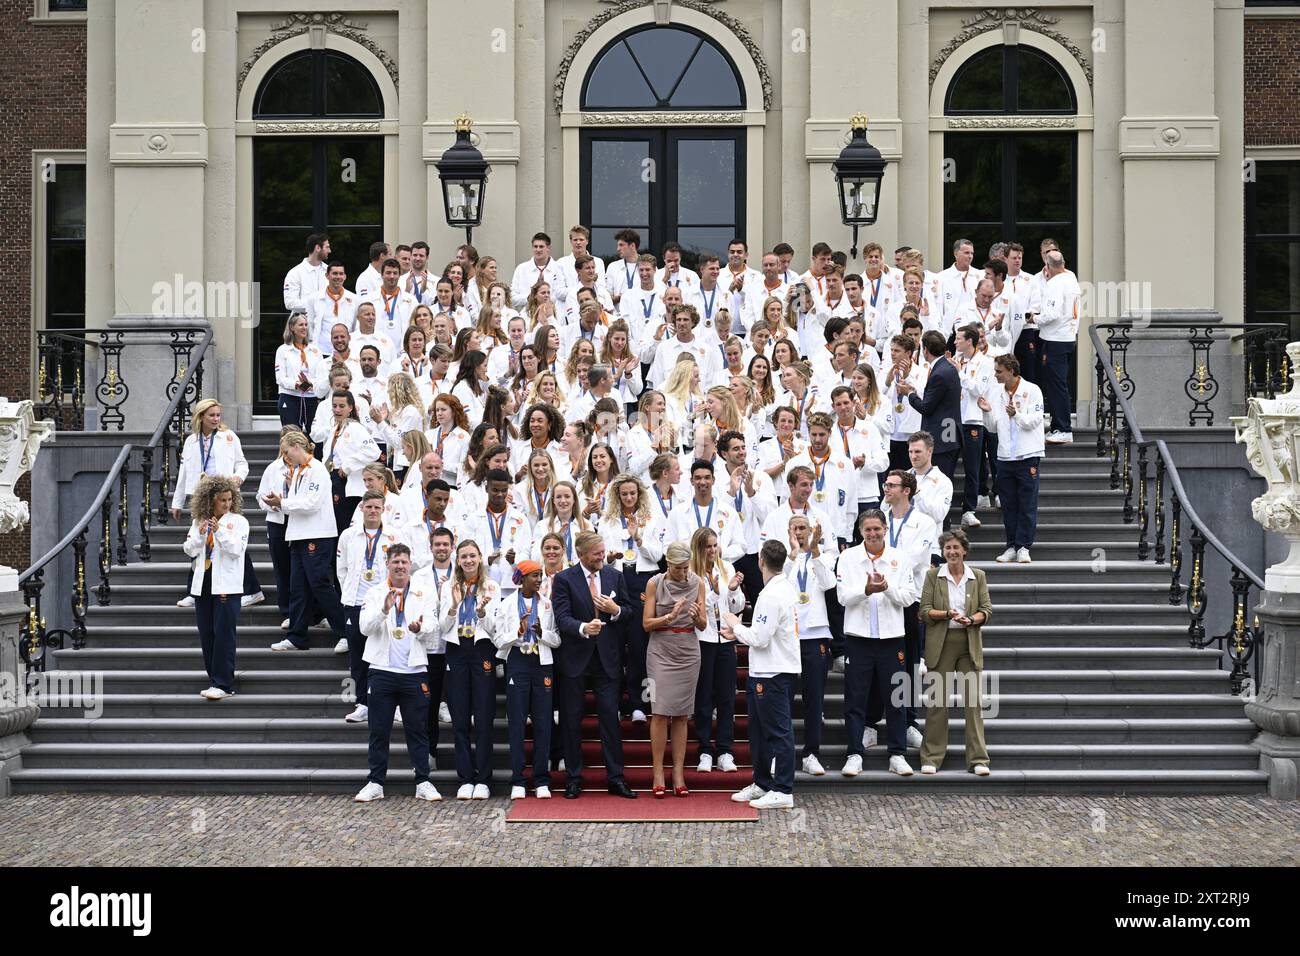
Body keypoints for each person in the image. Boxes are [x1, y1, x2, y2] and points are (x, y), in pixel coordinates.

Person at [550, 530, 638, 799]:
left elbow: (629, 611)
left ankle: (616, 778)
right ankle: (573, 777)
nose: (602, 556)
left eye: (602, 551)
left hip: (607, 659)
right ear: (581, 554)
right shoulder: (564, 579)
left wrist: (615, 610)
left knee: (610, 718)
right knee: (571, 719)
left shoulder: (614, 575)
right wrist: (583, 628)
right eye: (597, 553)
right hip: (575, 659)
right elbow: (562, 617)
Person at [353, 544, 443, 804]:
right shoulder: (374, 593)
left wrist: (419, 628)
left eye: (404, 562)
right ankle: (375, 782)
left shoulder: (423, 592)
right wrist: (383, 610)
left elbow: (433, 625)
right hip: (382, 670)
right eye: (396, 562)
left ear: (410, 564)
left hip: (414, 670)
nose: (400, 566)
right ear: (388, 564)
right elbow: (364, 628)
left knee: (418, 729)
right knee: (378, 730)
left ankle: (423, 781)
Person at [836, 509, 918, 778]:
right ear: (861, 531)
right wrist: (866, 590)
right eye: (868, 529)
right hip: (858, 638)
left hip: (891, 639)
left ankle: (897, 754)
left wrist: (887, 589)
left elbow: (909, 597)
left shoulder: (900, 558)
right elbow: (842, 597)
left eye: (877, 528)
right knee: (855, 699)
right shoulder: (848, 557)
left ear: (885, 529)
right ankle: (854, 754)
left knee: (896, 699)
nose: (872, 534)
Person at [720, 540, 800, 810]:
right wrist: (738, 633)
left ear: (760, 561)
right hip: (768, 669)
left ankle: (783, 789)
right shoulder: (782, 589)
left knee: (778, 732)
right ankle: (763, 782)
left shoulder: (771, 595)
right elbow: (764, 634)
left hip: (772, 672)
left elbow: (760, 638)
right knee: (758, 732)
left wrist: (735, 625)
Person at [171, 399, 262, 610]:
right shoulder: (191, 441)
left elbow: (242, 464)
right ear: (201, 417)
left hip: (224, 495)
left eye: (218, 415)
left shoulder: (228, 437)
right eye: (211, 415)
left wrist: (237, 478)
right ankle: (194, 591)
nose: (215, 419)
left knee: (230, 539)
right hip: (201, 496)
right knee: (200, 539)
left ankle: (251, 590)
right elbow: (184, 472)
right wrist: (177, 501)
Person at [265, 431, 349, 652]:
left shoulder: (317, 469)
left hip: (317, 535)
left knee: (319, 584)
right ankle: (297, 636)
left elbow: (311, 504)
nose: (285, 457)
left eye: (287, 452)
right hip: (299, 535)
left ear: (296, 447)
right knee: (298, 587)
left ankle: (345, 632)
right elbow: (300, 503)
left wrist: (282, 503)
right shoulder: (299, 471)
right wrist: (282, 502)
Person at [484, 560, 561, 800]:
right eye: (534, 576)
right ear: (523, 578)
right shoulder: (507, 604)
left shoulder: (546, 604)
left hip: (542, 662)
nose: (539, 580)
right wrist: (518, 632)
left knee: (543, 722)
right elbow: (498, 640)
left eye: (540, 575)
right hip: (517, 661)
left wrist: (541, 633)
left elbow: (557, 639)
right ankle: (518, 779)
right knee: (517, 722)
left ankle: (541, 780)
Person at [919, 530, 992, 776]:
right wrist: (946, 614)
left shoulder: (977, 576)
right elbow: (924, 611)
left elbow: (987, 610)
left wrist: (970, 619)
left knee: (974, 702)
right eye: (947, 548)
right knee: (937, 702)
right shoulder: (933, 576)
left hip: (968, 643)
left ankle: (978, 760)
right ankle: (931, 757)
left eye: (955, 547)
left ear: (965, 551)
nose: (951, 552)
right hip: (941, 643)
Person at [338, 491, 411, 722]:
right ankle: (361, 703)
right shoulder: (348, 535)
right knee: (357, 655)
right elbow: (341, 569)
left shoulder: (394, 535)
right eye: (368, 506)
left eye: (377, 507)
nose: (372, 511)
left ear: (383, 509)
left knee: (390, 651)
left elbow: (402, 566)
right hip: (355, 602)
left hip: (385, 603)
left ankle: (395, 705)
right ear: (361, 508)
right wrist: (350, 593)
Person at [641, 540, 706, 798]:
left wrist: (697, 617)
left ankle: (678, 772)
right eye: (678, 568)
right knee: (658, 712)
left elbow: (703, 624)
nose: (683, 572)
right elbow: (646, 623)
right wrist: (668, 617)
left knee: (682, 714)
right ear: (668, 564)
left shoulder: (698, 582)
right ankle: (658, 772)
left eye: (686, 567)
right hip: (660, 649)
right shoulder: (654, 583)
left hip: (688, 650)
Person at [182, 475, 249, 700]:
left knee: (224, 635)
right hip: (203, 584)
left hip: (227, 587)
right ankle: (215, 680)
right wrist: (201, 536)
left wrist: (219, 530)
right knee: (207, 634)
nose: (227, 504)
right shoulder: (198, 520)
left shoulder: (239, 522)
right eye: (222, 500)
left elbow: (236, 550)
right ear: (210, 500)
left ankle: (224, 683)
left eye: (229, 499)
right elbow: (189, 549)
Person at [444, 539, 502, 799]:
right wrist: (453, 607)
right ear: (457, 560)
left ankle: (483, 779)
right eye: (463, 556)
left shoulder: (492, 587)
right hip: (456, 648)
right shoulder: (449, 587)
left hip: (481, 649)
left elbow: (496, 629)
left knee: (484, 716)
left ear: (480, 558)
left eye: (472, 556)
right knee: (459, 716)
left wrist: (481, 614)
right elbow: (442, 627)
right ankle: (465, 777)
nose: (468, 560)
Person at [688, 527, 744, 775]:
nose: (712, 550)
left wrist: (732, 590)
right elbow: (696, 608)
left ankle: (724, 750)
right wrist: (714, 592)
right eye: (708, 546)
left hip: (726, 638)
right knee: (703, 697)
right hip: (703, 638)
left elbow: (737, 605)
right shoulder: (691, 572)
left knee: (726, 696)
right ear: (699, 548)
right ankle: (704, 749)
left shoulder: (727, 567)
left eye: (714, 545)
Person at [784, 513, 836, 776]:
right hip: (788, 636)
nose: (799, 532)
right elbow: (776, 584)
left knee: (814, 698)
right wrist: (793, 554)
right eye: (794, 528)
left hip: (815, 634)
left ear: (811, 530)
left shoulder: (824, 556)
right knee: (783, 699)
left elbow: (829, 584)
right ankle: (781, 754)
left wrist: (814, 551)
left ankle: (811, 753)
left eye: (803, 527)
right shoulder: (784, 558)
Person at [980, 354, 1044, 563]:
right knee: (1008, 504)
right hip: (1005, 456)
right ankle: (1011, 546)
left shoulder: (1032, 390)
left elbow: (1035, 421)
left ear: (1011, 371)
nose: (995, 375)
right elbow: (992, 428)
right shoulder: (997, 392)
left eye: (999, 371)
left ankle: (1024, 546)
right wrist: (987, 412)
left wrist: (1016, 415)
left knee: (1027, 503)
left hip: (1028, 455)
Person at [895, 330, 960, 477]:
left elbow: (926, 407)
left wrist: (909, 393)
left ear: (925, 350)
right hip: (947, 433)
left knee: (939, 480)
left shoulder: (940, 373)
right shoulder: (945, 367)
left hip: (942, 438)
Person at [316, 389, 381, 535]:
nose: (337, 410)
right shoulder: (334, 429)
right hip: (332, 479)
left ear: (351, 407)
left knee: (344, 526)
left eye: (342, 406)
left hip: (345, 482)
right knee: (335, 526)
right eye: (334, 406)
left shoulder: (356, 428)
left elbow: (373, 451)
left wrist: (348, 466)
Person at [1039, 249, 1081, 443]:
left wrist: (1034, 318)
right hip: (1068, 337)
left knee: (1056, 385)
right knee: (1059, 384)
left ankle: (1062, 428)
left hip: (1054, 339)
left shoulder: (1055, 283)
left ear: (1047, 266)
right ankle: (1060, 426)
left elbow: (1051, 314)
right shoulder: (1071, 278)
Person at [275, 313, 329, 430]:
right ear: (292, 327)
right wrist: (296, 384)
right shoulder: (282, 350)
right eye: (300, 325)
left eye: (306, 324)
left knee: (315, 435)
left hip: (312, 398)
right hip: (290, 397)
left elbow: (321, 376)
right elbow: (280, 378)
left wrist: (310, 384)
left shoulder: (316, 350)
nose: (304, 327)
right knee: (292, 435)